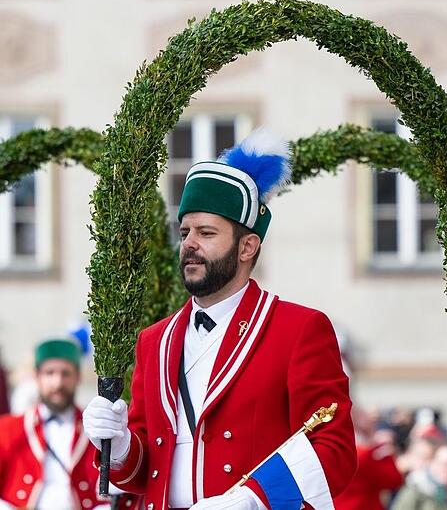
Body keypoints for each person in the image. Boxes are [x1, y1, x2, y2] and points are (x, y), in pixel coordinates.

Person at [82, 129, 357, 510]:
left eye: (206, 232)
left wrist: (253, 500)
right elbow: (144, 474)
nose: (189, 244)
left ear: (247, 246)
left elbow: (334, 451)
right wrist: (120, 446)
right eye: (185, 232)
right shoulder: (153, 340)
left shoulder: (299, 329)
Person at [0, 339, 137, 509]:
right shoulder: (7, 429)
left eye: (66, 373)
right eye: (49, 373)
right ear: (37, 376)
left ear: (77, 377)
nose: (58, 383)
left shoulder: (96, 427)